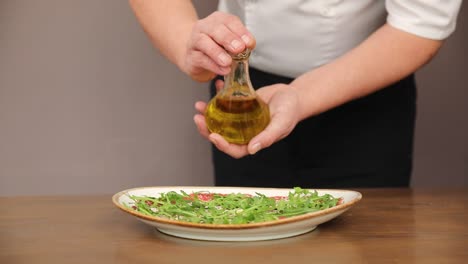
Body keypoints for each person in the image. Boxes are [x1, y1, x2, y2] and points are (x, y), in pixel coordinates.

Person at [129, 0, 462, 188]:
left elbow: (421, 22)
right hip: (244, 98)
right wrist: (189, 46)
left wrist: (300, 96)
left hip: (363, 91)